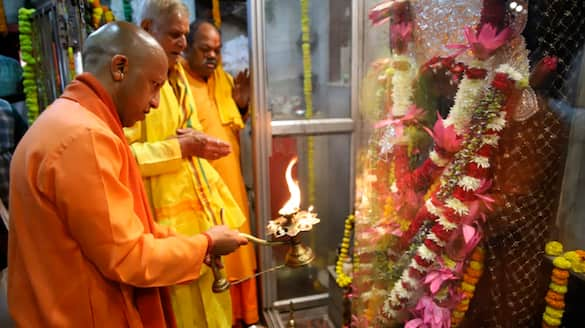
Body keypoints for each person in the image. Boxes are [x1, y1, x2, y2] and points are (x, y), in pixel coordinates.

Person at [7, 21, 247, 327]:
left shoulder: (67, 119)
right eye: (154, 85)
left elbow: (118, 229)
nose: (156, 102)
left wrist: (196, 243)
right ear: (119, 68)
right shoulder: (86, 137)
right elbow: (128, 256)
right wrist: (205, 244)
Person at [127, 1, 248, 327]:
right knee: (183, 310)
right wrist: (180, 148)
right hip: (165, 223)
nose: (182, 43)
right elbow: (122, 157)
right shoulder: (132, 83)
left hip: (203, 216)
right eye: (176, 35)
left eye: (184, 34)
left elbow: (190, 135)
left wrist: (199, 144)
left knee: (215, 299)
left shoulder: (177, 73)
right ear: (149, 30)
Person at [181, 19, 259, 327]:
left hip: (232, 182)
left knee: (241, 249)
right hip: (202, 190)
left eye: (217, 49)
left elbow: (232, 127)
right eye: (204, 49)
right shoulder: (179, 83)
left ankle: (247, 316)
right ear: (188, 48)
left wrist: (241, 107)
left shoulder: (225, 80)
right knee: (217, 253)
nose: (212, 56)